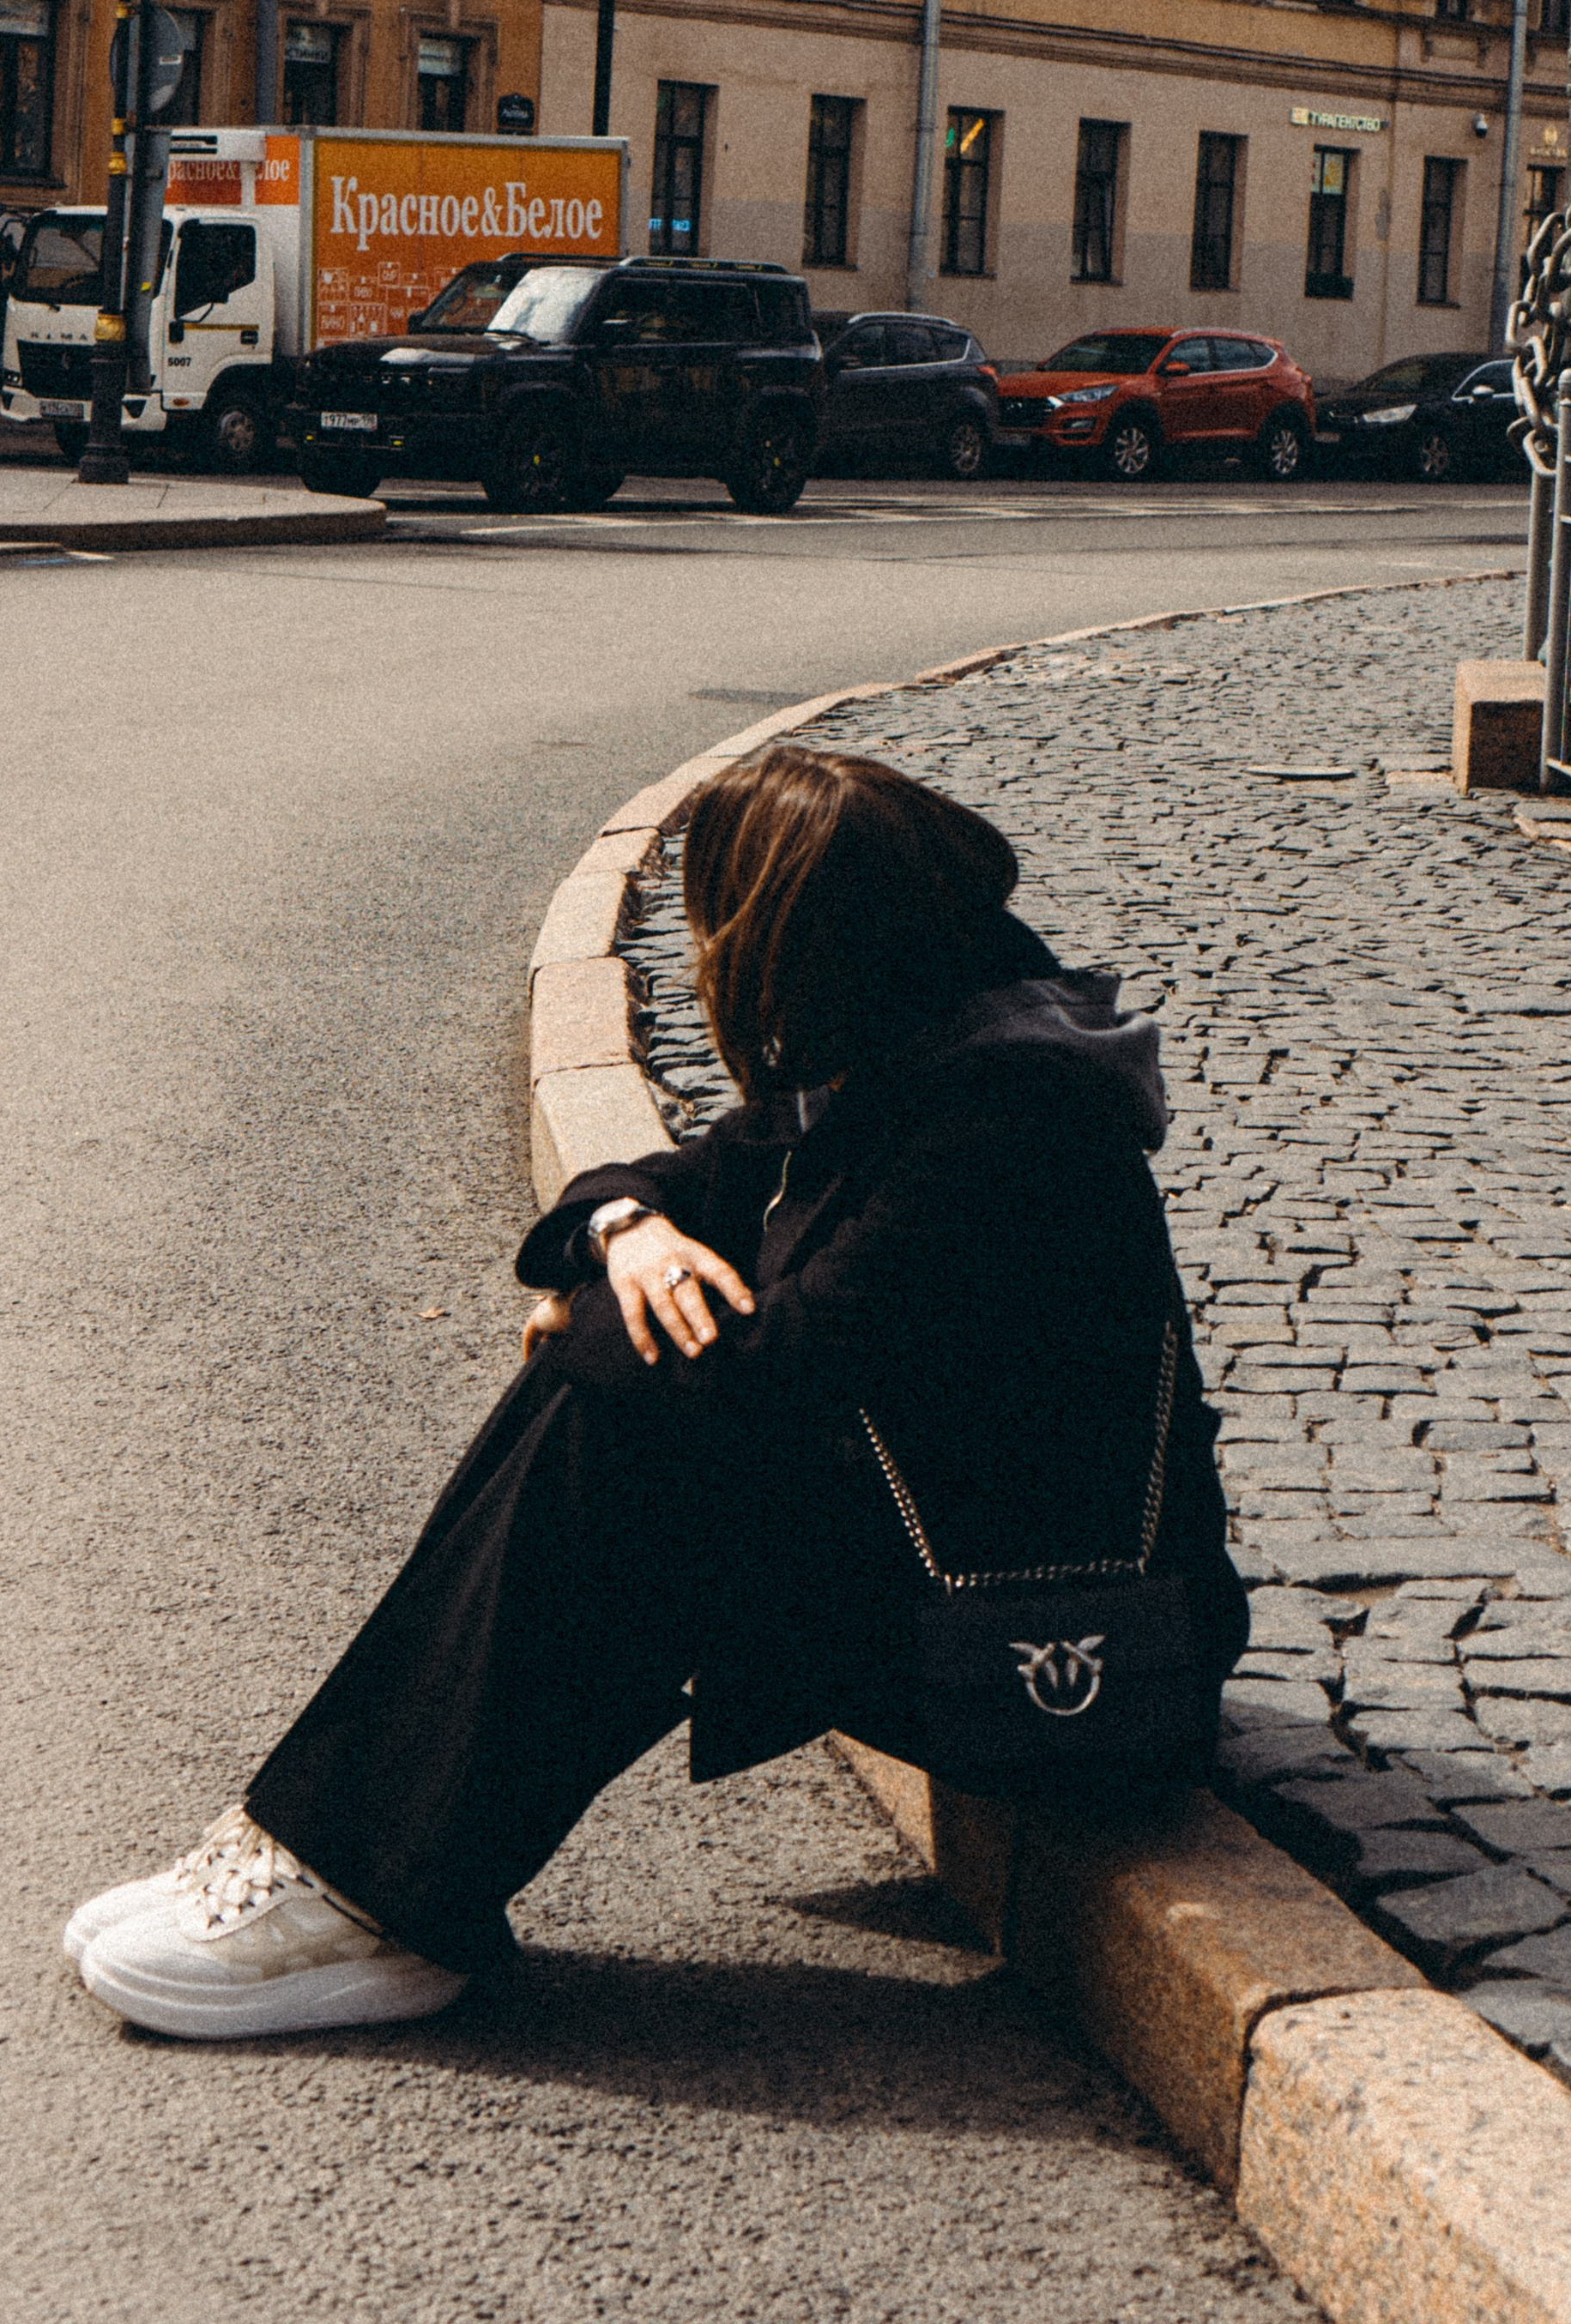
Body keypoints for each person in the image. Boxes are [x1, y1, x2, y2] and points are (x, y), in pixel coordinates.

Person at [67, 745, 1248, 2040]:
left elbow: (777, 1382)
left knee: (616, 1433)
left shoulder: (1002, 1127)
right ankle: (343, 1853)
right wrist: (626, 1231)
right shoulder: (919, 1044)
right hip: (961, 1587)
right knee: (616, 1385)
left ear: (786, 932)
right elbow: (676, 1178)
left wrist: (589, 1303)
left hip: (1065, 1663)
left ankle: (387, 1899)